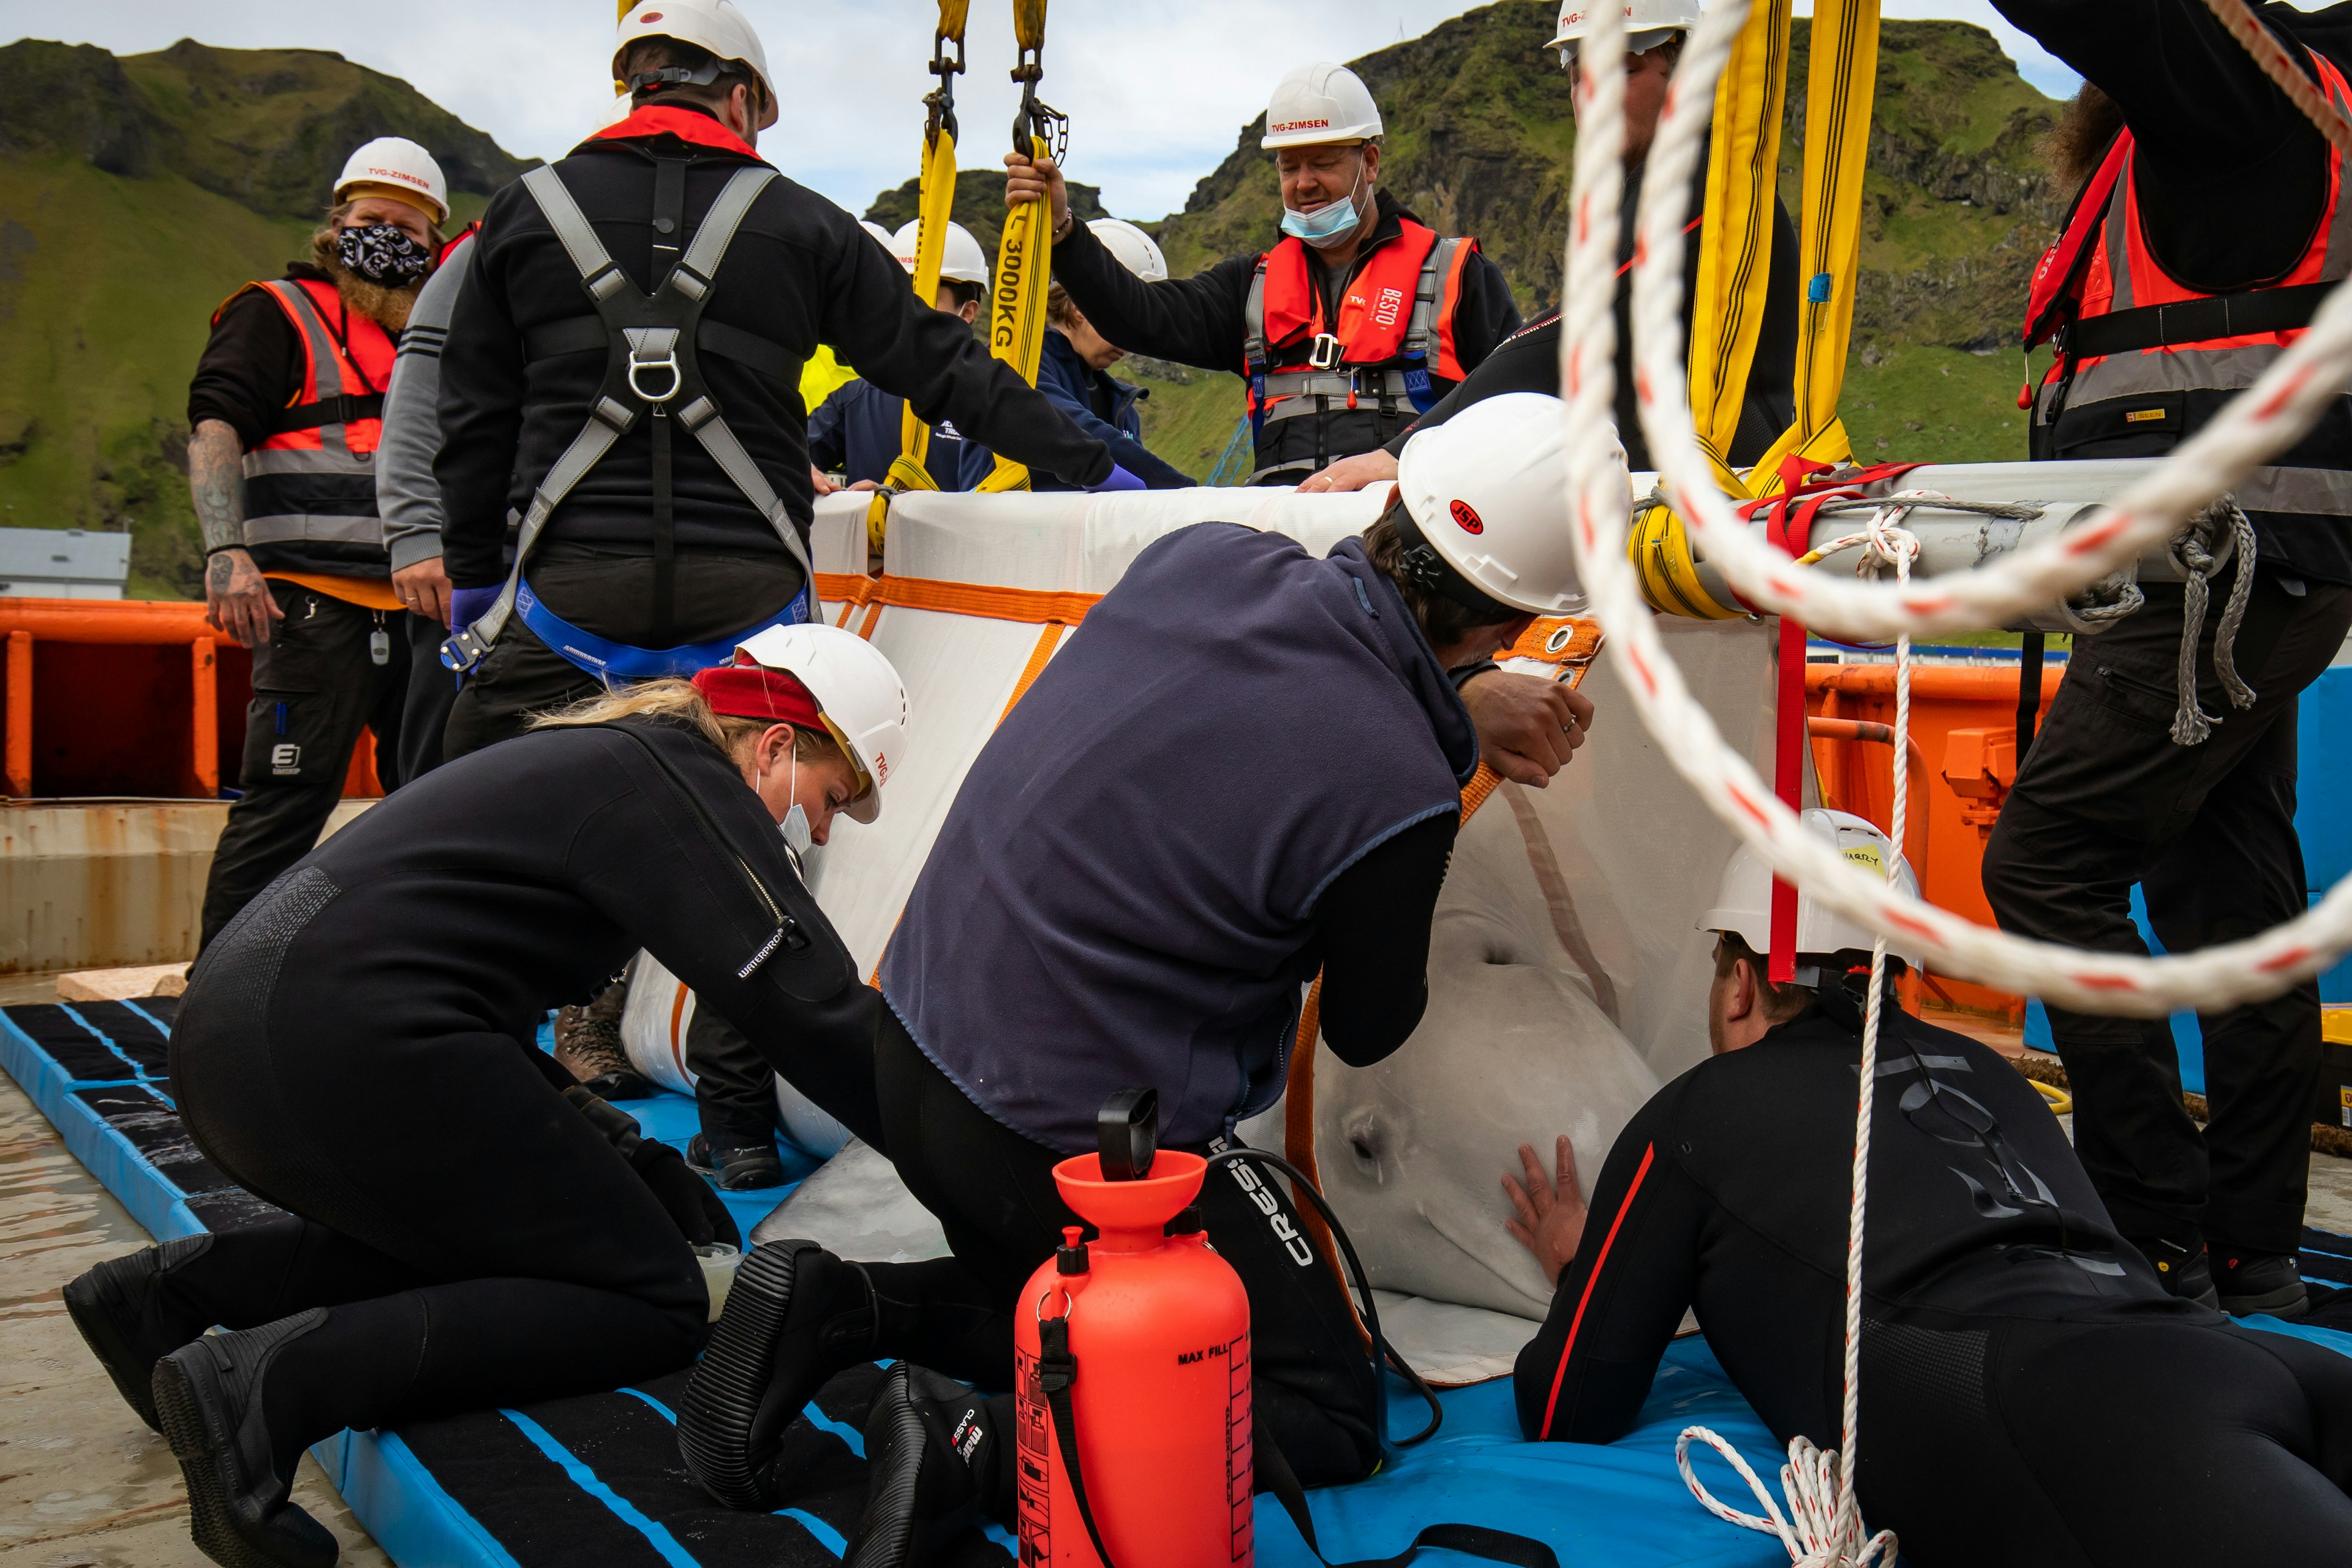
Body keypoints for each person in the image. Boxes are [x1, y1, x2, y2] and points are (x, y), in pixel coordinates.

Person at [673, 393, 1596, 1561]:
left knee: (1052, 1283)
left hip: (908, 1054)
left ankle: (838, 1304)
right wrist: (1440, 764)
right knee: (1326, 1403)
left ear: (1400, 498)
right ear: (1520, 614)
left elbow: (1274, 698)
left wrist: (1445, 710)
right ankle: (974, 1447)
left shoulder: (1205, 556)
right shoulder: (1400, 781)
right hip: (1060, 1141)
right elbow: (1371, 1024)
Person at [61, 625, 909, 1568]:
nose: (822, 831)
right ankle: (264, 1388)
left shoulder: (607, 757)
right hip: (347, 1043)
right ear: (780, 744)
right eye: (833, 799)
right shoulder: (686, 789)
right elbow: (812, 1011)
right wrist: (973, 1162)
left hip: (243, 1037)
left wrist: (617, 1152)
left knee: (505, 1235)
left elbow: (452, 964)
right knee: (654, 1296)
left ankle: (170, 1296)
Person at [1504, 810, 2352, 1565]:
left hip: (2083, 1411)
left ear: (1739, 982)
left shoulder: (1693, 1112)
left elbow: (1566, 1406)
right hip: (2241, 1358)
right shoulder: (1988, 1071)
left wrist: (1586, 1271)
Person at [435, 0, 1125, 760]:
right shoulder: (807, 226)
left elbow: (474, 422)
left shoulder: (521, 215)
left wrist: (474, 581)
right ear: (740, 100)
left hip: (570, 606)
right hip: (751, 617)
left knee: (468, 829)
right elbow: (947, 369)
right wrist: (1097, 467)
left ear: (634, 85)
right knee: (758, 848)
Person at [1982, 0, 2352, 1317]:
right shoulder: (2253, 132)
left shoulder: (2247, 100)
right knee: (2233, 900)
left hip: (2212, 576)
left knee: (2045, 866)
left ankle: (2146, 1232)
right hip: (2267, 576)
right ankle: (2251, 1246)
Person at [1296, 0, 1798, 494]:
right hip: (1681, 501)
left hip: (1737, 505)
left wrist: (1401, 452)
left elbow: (1568, 334)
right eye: (1580, 76)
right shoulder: (1657, 188)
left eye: (1625, 68)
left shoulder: (1707, 185)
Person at [1005, 61, 1522, 487]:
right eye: (1288, 167)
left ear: (1369, 162)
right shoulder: (1250, 287)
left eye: (1321, 163)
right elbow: (1139, 316)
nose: (1303, 184)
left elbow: (1517, 408)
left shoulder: (1459, 277)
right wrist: (1064, 233)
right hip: (1285, 548)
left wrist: (1403, 457)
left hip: (1412, 543)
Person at [186, 136, 454, 949]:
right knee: (282, 806)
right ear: (336, 222)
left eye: (410, 229)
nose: (389, 239)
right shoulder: (276, 312)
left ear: (436, 246)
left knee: (436, 808)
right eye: (373, 219)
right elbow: (215, 425)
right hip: (310, 607)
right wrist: (226, 553)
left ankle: (410, 987)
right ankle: (216, 1005)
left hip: (428, 607)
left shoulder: (444, 334)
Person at [957, 219, 1196, 491]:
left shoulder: (1122, 406)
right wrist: (1186, 494)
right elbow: (1074, 429)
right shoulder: (1016, 360)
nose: (1132, 340)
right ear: (1080, 305)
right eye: (1125, 314)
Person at [377, 214, 483, 785]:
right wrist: (417, 535)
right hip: (473, 575)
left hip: (595, 574)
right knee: (437, 775)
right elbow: (418, 395)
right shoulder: (495, 247)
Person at [806, 219, 990, 494]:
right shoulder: (855, 398)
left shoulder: (994, 398)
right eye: (900, 293)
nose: (909, 309)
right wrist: (834, 495)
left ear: (967, 312)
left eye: (924, 295)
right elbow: (785, 456)